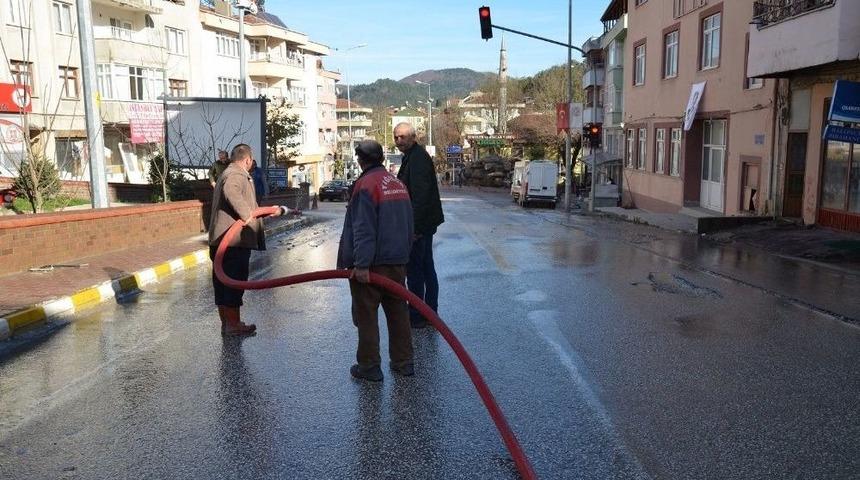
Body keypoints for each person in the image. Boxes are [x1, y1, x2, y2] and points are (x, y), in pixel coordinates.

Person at [337, 140, 415, 381]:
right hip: (397, 262)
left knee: (366, 316)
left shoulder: (365, 185)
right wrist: (404, 256)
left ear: (360, 160)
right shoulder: (397, 184)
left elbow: (363, 228)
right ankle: (403, 362)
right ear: (381, 158)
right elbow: (408, 223)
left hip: (372, 265)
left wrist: (361, 264)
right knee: (398, 313)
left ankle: (369, 366)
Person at [209, 144, 295, 336]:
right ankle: (233, 324)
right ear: (248, 159)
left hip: (222, 241)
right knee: (233, 283)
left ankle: (228, 324)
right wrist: (247, 214)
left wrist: (265, 212)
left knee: (223, 285)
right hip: (233, 242)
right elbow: (232, 192)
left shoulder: (226, 172)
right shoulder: (236, 175)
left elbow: (245, 205)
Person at [393, 122, 444, 329]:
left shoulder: (418, 159)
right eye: (396, 137)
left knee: (416, 271)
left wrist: (414, 229)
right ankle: (429, 312)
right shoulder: (412, 156)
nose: (399, 141)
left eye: (403, 137)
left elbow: (420, 196)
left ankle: (417, 315)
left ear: (413, 137)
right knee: (425, 267)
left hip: (420, 226)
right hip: (424, 223)